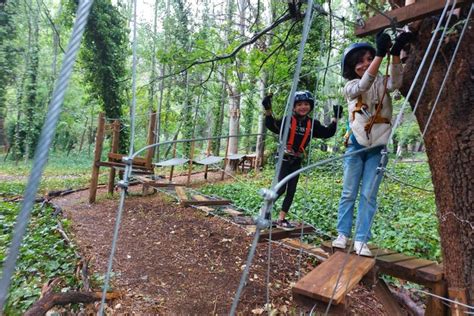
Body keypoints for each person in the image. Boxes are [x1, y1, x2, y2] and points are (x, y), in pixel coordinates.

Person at [332, 31, 413, 256]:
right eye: (360, 61)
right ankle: (342, 234)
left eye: (369, 59)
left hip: (378, 145)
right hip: (356, 144)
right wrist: (379, 55)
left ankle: (361, 239)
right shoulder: (350, 86)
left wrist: (394, 55)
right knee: (349, 192)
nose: (365, 64)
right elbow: (363, 86)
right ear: (351, 66)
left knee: (369, 194)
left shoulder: (382, 82)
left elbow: (396, 82)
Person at [262, 91, 343, 230]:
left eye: (306, 104)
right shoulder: (287, 120)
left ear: (310, 106)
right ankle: (265, 210)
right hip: (284, 158)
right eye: (299, 104)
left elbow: (328, 132)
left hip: (297, 160)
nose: (303, 107)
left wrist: (336, 118)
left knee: (291, 190)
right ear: (294, 107)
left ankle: (281, 219)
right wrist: (268, 110)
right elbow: (272, 125)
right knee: (280, 187)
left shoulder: (313, 124)